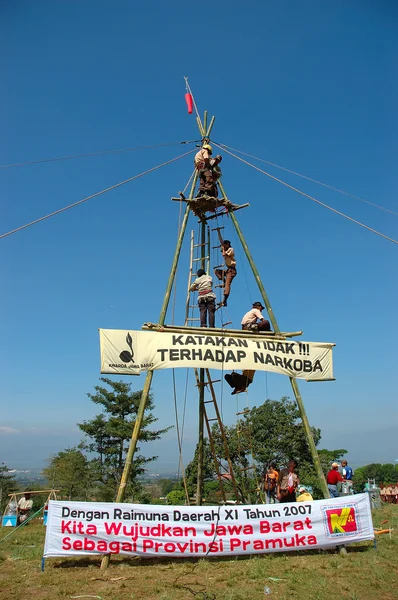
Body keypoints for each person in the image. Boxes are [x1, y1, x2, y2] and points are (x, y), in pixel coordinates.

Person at [214, 235, 237, 307]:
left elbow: (224, 254)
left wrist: (223, 248)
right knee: (217, 271)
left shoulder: (230, 249)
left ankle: (224, 301)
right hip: (228, 270)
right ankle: (224, 282)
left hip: (232, 270)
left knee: (227, 285)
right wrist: (218, 232)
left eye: (224, 245)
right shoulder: (226, 248)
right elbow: (222, 242)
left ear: (227, 245)